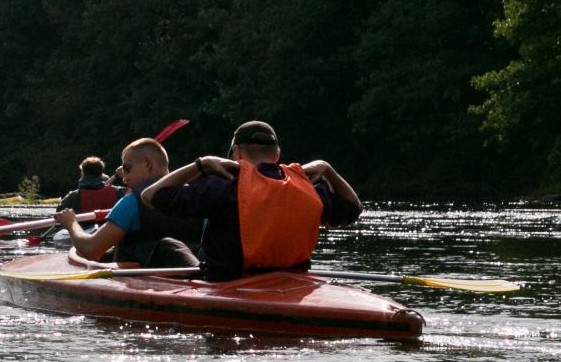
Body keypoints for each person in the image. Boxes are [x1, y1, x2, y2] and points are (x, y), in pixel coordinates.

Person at [141, 120, 361, 282]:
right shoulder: (307, 188)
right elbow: (354, 208)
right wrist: (327, 170)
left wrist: (201, 164)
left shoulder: (224, 185)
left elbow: (150, 196)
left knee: (167, 246)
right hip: (293, 284)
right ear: (277, 155)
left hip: (230, 285)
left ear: (236, 153)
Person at [55, 138, 201, 269]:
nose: (124, 179)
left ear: (148, 165)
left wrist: (71, 223)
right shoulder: (195, 197)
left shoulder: (132, 201)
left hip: (146, 284)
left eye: (127, 169)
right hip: (196, 275)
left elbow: (91, 250)